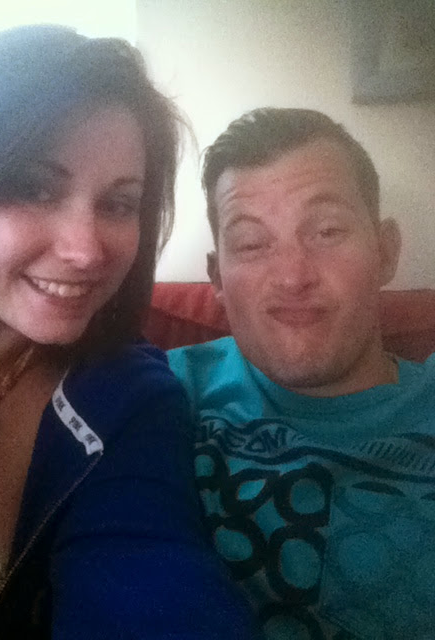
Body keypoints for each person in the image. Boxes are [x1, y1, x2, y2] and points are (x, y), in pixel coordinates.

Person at [0, 25, 259, 640]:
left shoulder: (130, 398)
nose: (86, 250)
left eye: (119, 204)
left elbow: (149, 577)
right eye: (36, 188)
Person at [169, 108, 435, 639]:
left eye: (327, 231)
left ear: (385, 252)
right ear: (217, 277)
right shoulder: (161, 391)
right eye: (252, 243)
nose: (292, 277)